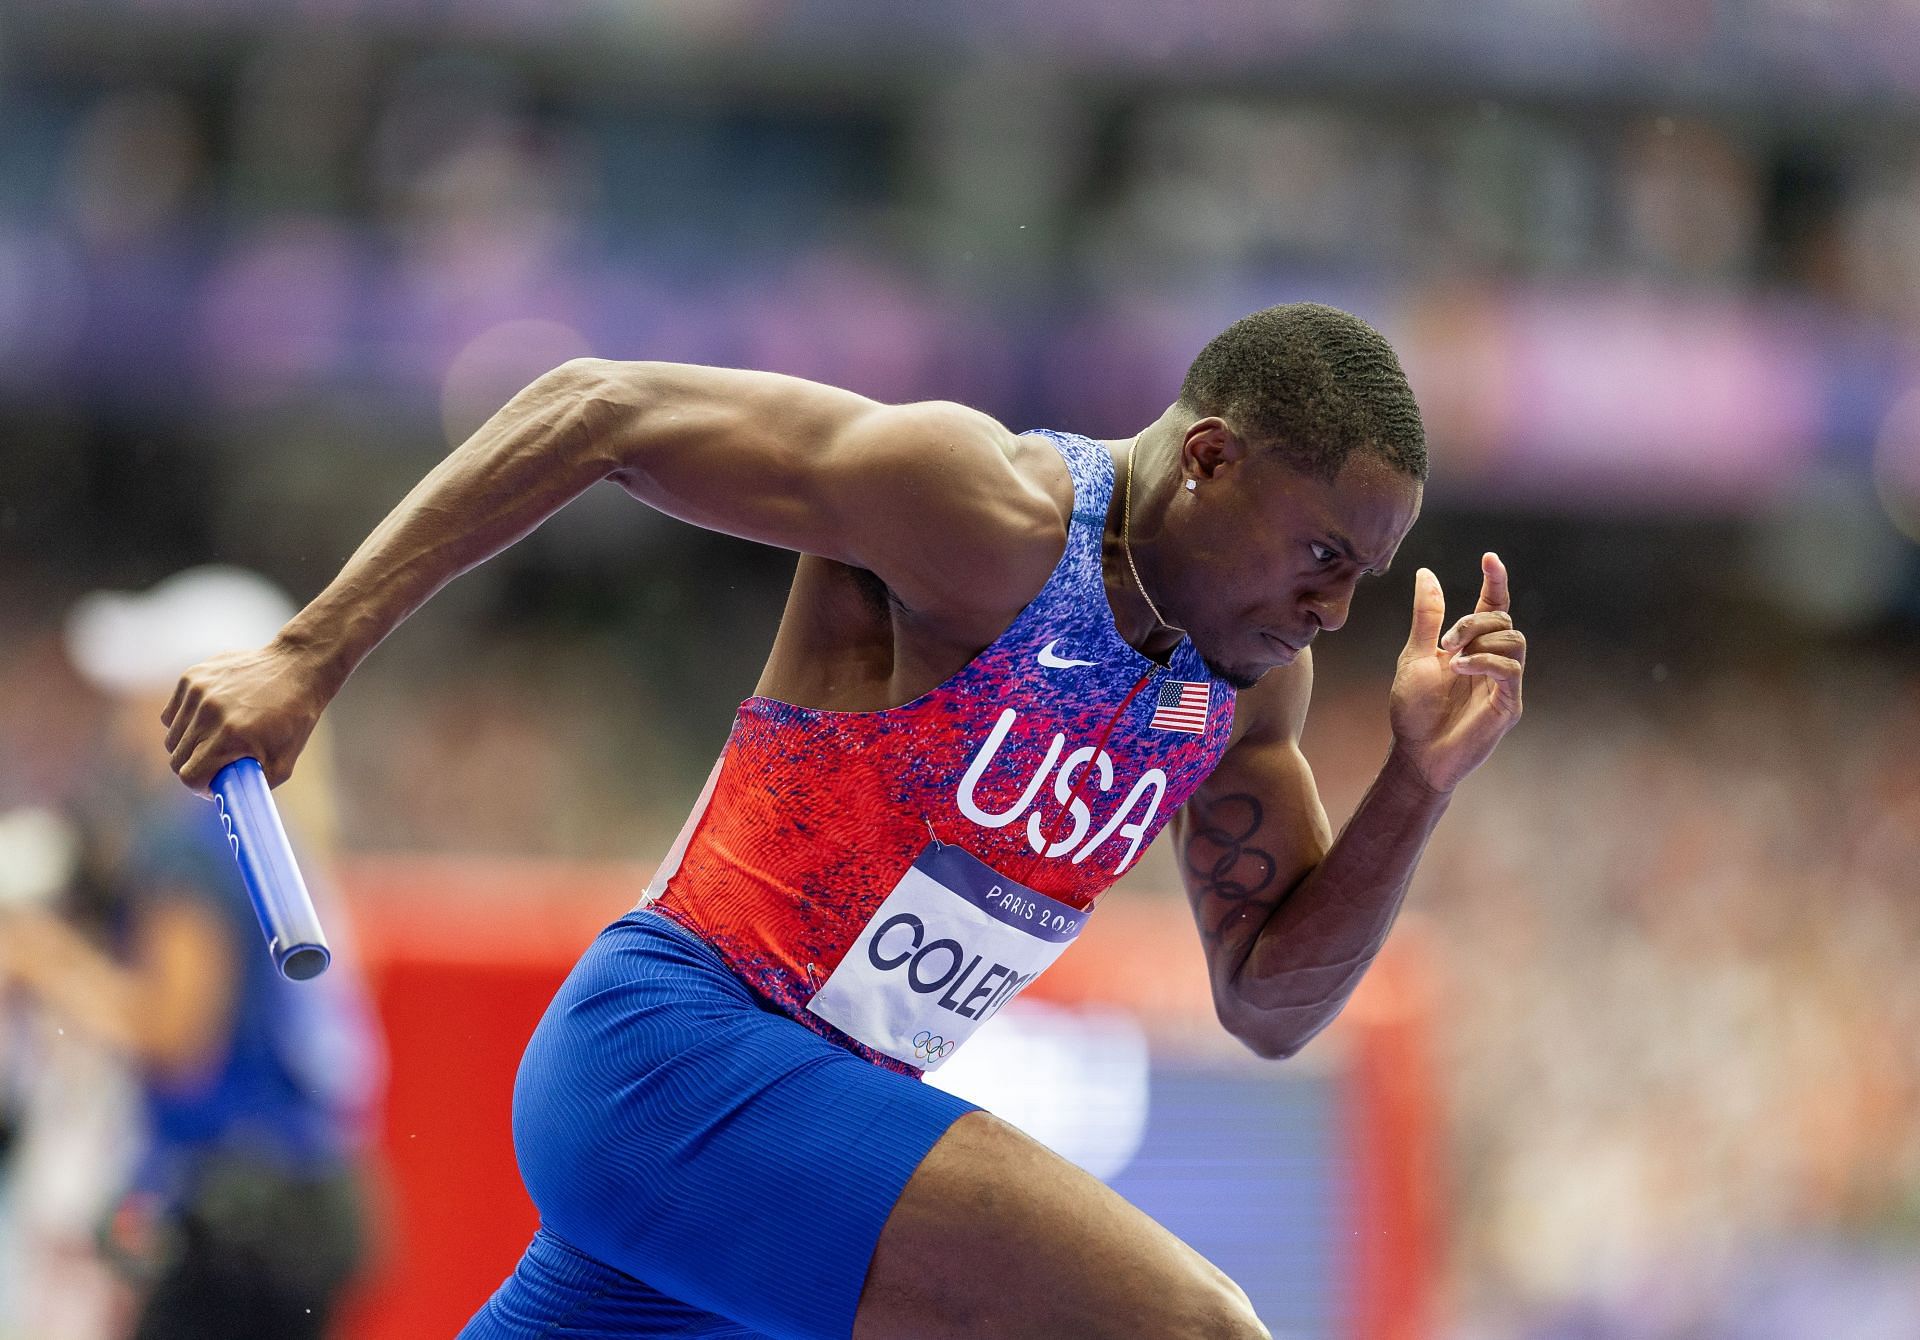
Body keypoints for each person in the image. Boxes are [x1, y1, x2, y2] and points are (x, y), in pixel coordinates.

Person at [162, 303, 1527, 1339]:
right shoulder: (982, 513)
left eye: (1366, 574)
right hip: (678, 1057)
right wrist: (306, 656)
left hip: (787, 1142)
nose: (1336, 611)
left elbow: (1272, 1009)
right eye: (1324, 557)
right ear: (1212, 462)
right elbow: (598, 408)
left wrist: (1415, 783)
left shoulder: (1240, 686)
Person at [0, 567, 382, 1340]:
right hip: (304, 1199)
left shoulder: (191, 840)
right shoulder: (278, 838)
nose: (122, 712)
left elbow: (177, 1038)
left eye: (145, 689)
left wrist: (41, 959)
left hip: (239, 1216)